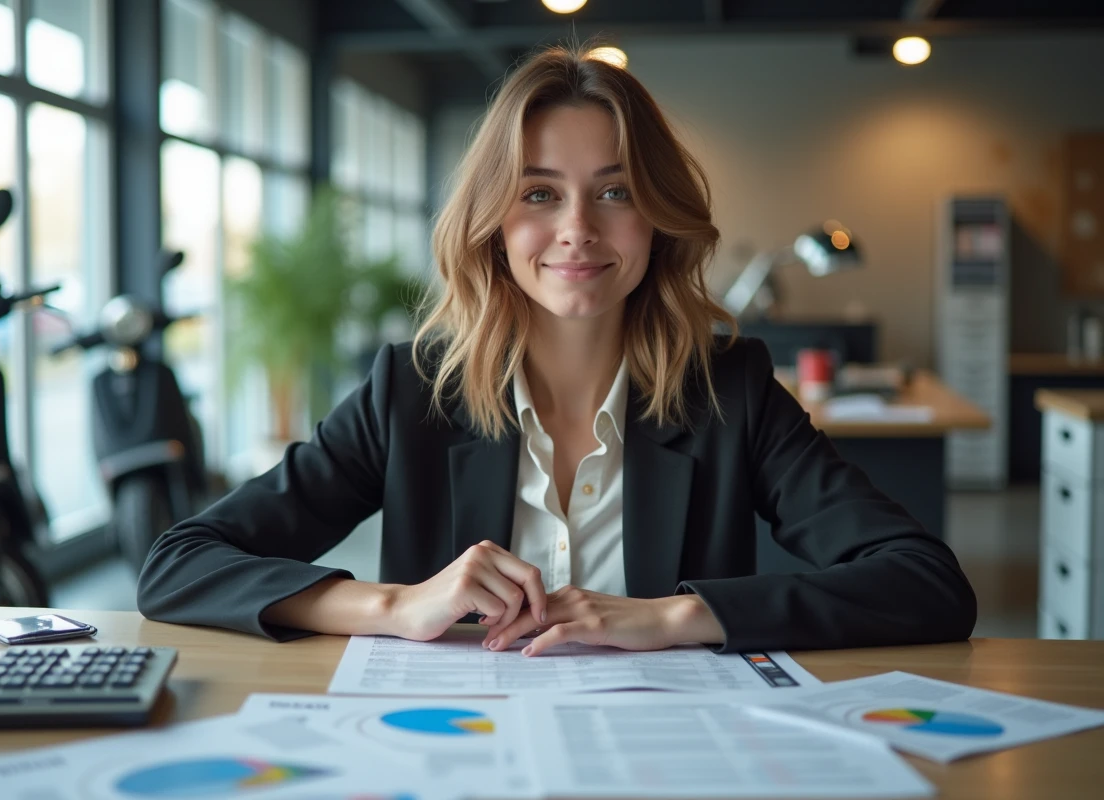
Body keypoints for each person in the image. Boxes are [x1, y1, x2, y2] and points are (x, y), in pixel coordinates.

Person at [137, 44, 976, 657]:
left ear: (656, 217)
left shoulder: (732, 391)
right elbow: (180, 565)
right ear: (495, 225)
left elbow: (925, 583)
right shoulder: (411, 392)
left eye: (615, 192)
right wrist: (398, 605)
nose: (578, 228)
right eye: (540, 193)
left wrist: (674, 616)